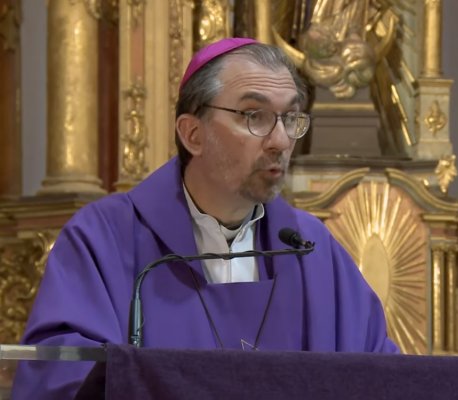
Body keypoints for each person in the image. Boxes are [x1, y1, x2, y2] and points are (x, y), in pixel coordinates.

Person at [11, 38, 399, 399]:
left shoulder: (311, 249)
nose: (280, 140)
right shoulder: (104, 239)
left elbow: (384, 377)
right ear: (192, 134)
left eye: (290, 117)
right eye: (254, 115)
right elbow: (61, 380)